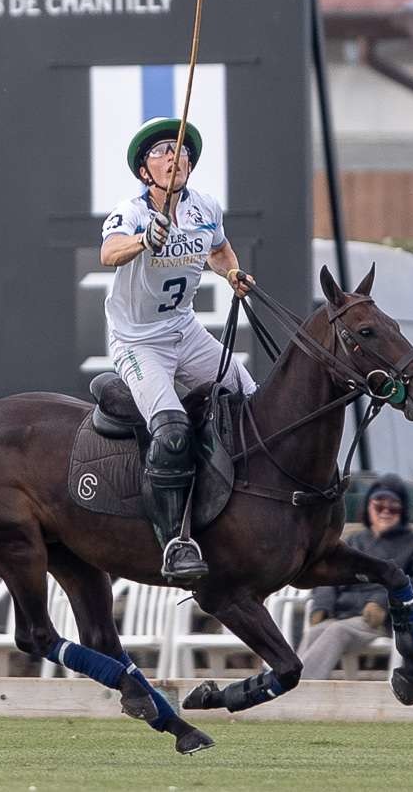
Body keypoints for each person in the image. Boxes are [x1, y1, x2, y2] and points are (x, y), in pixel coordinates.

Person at [100, 117, 257, 584]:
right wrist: (145, 239)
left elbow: (220, 249)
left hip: (184, 331)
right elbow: (108, 253)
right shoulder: (130, 211)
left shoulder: (206, 206)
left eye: (182, 150)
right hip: (137, 340)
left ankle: (247, 502)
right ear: (145, 171)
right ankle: (175, 541)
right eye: (163, 151)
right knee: (171, 430)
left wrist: (232, 275)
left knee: (248, 396)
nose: (175, 157)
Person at [297, 477, 413, 679]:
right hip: (343, 614)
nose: (385, 511)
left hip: (383, 622)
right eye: (379, 505)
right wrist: (322, 606)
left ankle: (301, 690)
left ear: (403, 510)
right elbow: (327, 575)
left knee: (336, 631)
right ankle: (293, 684)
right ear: (368, 507)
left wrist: (383, 601)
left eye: (393, 507)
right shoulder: (354, 541)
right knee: (315, 631)